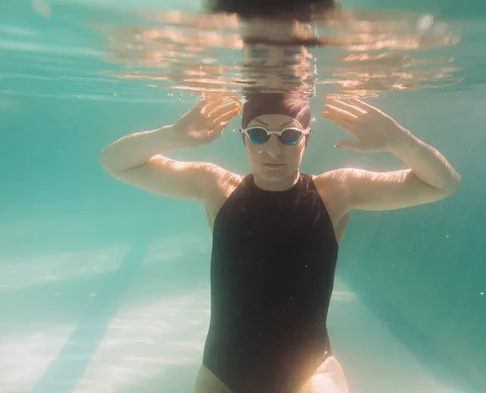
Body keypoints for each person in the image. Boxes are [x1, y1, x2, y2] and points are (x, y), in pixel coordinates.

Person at [98, 92, 461, 393]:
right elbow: (114, 162)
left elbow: (442, 183)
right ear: (242, 138)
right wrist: (174, 136)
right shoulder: (217, 187)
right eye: (258, 135)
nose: (273, 150)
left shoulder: (336, 190)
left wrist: (398, 139)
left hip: (311, 374)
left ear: (306, 138)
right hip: (224, 374)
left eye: (288, 135)